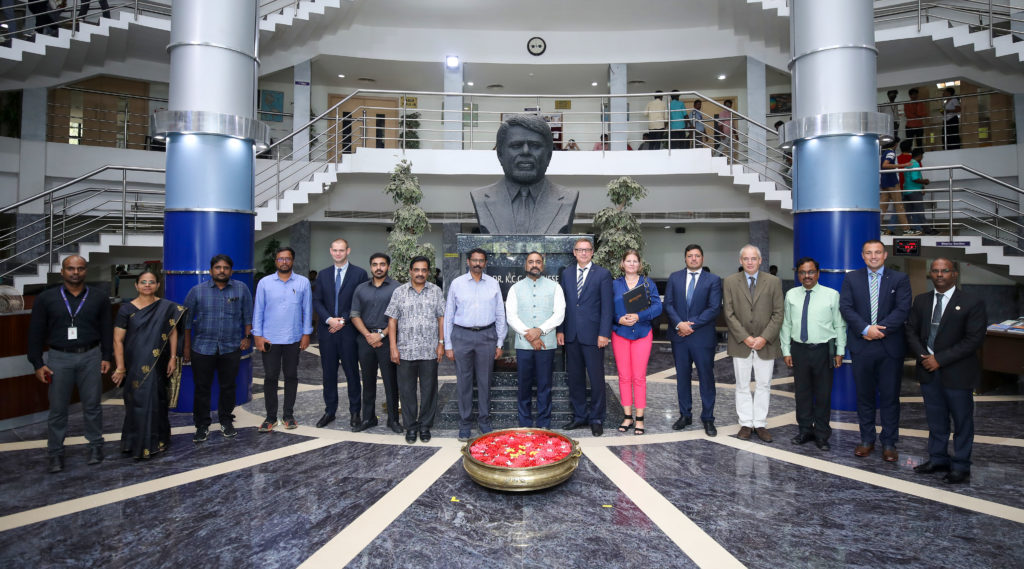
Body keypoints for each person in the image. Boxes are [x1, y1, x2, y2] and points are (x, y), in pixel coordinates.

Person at [27, 255, 113, 473]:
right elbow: (35, 332)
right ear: (62, 271)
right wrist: (37, 363)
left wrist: (106, 356)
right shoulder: (46, 298)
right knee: (58, 409)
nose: (76, 272)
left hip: (91, 356)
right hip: (59, 358)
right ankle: (55, 452)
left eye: (80, 268)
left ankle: (95, 446)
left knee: (92, 406)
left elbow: (106, 328)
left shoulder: (99, 297)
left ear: (86, 271)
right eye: (71, 269)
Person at [907, 259, 986, 484]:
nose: (939, 274)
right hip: (928, 371)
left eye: (945, 271)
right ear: (930, 274)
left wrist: (939, 360)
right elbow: (911, 331)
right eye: (935, 271)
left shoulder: (972, 302)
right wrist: (924, 356)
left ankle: (961, 465)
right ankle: (938, 458)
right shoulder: (921, 300)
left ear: (955, 274)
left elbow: (974, 340)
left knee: (962, 421)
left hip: (957, 372)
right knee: (936, 420)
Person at [839, 240, 912, 462]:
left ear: (885, 255)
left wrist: (878, 330)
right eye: (869, 253)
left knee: (890, 398)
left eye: (877, 252)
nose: (873, 256)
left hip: (890, 348)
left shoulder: (900, 279)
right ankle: (866, 440)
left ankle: (889, 443)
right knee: (864, 397)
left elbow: (903, 309)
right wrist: (865, 329)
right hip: (862, 347)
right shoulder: (852, 278)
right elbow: (846, 307)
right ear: (862, 256)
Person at [111, 270, 185, 460]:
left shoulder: (167, 307)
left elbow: (173, 332)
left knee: (157, 400)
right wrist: (120, 367)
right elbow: (118, 340)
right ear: (136, 285)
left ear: (157, 285)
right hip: (134, 363)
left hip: (158, 362)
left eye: (151, 282)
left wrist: (173, 357)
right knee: (136, 402)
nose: (147, 285)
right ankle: (134, 443)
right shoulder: (126, 309)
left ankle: (158, 441)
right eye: (143, 282)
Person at [182, 254, 253, 443]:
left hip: (230, 347)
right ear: (211, 270)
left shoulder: (241, 289)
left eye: (226, 268)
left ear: (231, 271)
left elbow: (248, 315)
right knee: (202, 388)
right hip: (202, 348)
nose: (222, 271)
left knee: (228, 387)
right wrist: (186, 348)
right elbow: (186, 323)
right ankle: (202, 425)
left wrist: (247, 337)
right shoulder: (197, 291)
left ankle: (226, 420)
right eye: (218, 267)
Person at [470, 114, 579, 234]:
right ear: (500, 155)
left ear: (549, 155)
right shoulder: (480, 197)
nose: (526, 151)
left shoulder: (568, 198)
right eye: (516, 145)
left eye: (535, 146)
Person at [781, 257, 846, 451]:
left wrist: (840, 350)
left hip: (823, 350)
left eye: (810, 272)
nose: (807, 276)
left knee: (823, 395)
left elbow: (839, 325)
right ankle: (804, 430)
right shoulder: (791, 295)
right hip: (799, 349)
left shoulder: (831, 295)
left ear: (818, 273)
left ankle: (822, 434)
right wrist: (786, 350)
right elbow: (786, 324)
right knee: (802, 394)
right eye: (802, 272)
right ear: (798, 274)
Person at [722, 245, 783, 442]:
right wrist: (746, 337)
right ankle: (746, 423)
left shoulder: (773, 282)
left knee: (764, 384)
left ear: (760, 260)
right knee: (742, 385)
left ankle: (760, 423)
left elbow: (778, 313)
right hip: (741, 343)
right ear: (741, 261)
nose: (750, 262)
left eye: (753, 258)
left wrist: (764, 337)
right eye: (746, 259)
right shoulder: (730, 281)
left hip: (766, 343)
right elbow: (728, 313)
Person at [444, 248, 507, 441]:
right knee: (464, 381)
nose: (477, 263)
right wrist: (448, 344)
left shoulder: (493, 284)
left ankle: (484, 421)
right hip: (462, 335)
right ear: (468, 262)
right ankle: (465, 424)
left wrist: (500, 342)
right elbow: (449, 314)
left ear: (485, 263)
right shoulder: (457, 283)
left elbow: (500, 314)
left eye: (481, 260)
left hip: (487, 336)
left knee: (485, 381)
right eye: (474, 260)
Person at [557, 237, 613, 437]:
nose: (583, 253)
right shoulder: (566, 273)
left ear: (592, 252)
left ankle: (596, 418)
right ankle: (579, 415)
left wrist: (604, 333)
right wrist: (560, 330)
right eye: (580, 250)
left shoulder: (603, 274)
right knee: (575, 379)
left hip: (594, 336)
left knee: (596, 379)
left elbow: (607, 307)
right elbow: (562, 304)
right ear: (574, 252)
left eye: (587, 249)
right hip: (571, 335)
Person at [386, 256, 445, 444]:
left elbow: (441, 318)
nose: (420, 273)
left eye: (424, 270)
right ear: (410, 271)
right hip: (405, 350)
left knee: (429, 390)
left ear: (428, 272)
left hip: (429, 350)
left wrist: (441, 343)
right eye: (417, 270)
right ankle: (411, 427)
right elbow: (392, 320)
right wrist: (393, 347)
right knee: (407, 391)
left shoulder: (436, 291)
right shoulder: (399, 292)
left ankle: (425, 426)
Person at [664, 244, 722, 436]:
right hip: (679, 337)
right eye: (690, 256)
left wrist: (690, 325)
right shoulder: (674, 277)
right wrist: (679, 324)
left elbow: (714, 308)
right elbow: (668, 304)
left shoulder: (713, 280)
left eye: (697, 255)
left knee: (706, 377)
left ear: (702, 258)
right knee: (682, 377)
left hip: (702, 337)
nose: (694, 259)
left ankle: (708, 418)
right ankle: (685, 415)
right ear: (685, 258)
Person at [253, 246, 312, 432]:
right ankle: (270, 417)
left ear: (292, 261)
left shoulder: (303, 282)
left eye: (287, 258)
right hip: (270, 339)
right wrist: (257, 335)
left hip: (293, 338)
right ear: (275, 261)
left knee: (291, 376)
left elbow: (307, 310)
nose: (284, 262)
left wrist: (306, 334)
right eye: (280, 259)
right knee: (270, 377)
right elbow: (258, 310)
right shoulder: (264, 283)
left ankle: (288, 415)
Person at [312, 238, 368, 429]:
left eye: (341, 250)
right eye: (335, 250)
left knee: (352, 373)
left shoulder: (359, 274)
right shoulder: (323, 274)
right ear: (330, 251)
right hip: (327, 331)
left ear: (348, 251)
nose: (338, 253)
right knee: (328, 374)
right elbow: (317, 301)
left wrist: (343, 320)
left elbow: (359, 301)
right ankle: (330, 411)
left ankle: (355, 412)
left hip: (348, 332)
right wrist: (329, 319)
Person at [505, 252, 565, 431]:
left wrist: (539, 331)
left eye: (538, 262)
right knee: (523, 385)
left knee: (544, 385)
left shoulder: (555, 287)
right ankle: (524, 424)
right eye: (531, 262)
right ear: (525, 265)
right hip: (523, 345)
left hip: (546, 345)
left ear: (542, 265)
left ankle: (543, 424)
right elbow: (511, 316)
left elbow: (559, 314)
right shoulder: (515, 288)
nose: (534, 265)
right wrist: (530, 335)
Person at [611, 250, 663, 435]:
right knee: (624, 377)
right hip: (620, 333)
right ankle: (627, 416)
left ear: (639, 264)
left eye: (635, 261)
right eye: (628, 261)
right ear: (622, 263)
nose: (632, 264)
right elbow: (607, 308)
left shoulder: (648, 284)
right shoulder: (614, 284)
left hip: (642, 333)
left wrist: (639, 316)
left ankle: (639, 418)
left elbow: (658, 306)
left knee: (639, 377)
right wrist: (618, 319)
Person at [349, 253, 402, 433]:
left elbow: (399, 316)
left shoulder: (397, 288)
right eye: (375, 264)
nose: (378, 268)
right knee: (368, 380)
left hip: (388, 340)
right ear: (370, 267)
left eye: (382, 264)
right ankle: (368, 418)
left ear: (388, 266)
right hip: (365, 340)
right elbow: (354, 314)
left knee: (391, 381)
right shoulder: (361, 289)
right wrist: (368, 335)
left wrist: (380, 335)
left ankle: (393, 420)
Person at [880, 139, 912, 235]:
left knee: (882, 207)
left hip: (884, 182)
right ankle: (906, 229)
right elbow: (885, 165)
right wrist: (903, 165)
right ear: (895, 144)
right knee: (899, 206)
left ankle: (876, 228)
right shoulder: (891, 152)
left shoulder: (884, 152)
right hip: (892, 182)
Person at [903, 147, 932, 235]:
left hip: (906, 191)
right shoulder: (915, 164)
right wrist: (925, 181)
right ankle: (927, 229)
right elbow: (915, 178)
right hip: (914, 191)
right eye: (922, 155)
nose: (922, 157)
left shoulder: (908, 164)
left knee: (908, 213)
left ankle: (909, 230)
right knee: (920, 211)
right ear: (920, 155)